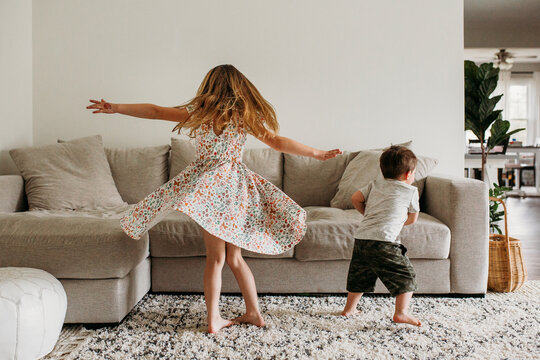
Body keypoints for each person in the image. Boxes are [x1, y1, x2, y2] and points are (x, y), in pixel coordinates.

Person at [86, 64, 342, 333]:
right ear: (240, 88)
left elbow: (155, 110)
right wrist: (316, 153)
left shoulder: (199, 114)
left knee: (215, 259)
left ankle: (214, 319)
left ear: (209, 86)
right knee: (235, 258)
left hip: (208, 191)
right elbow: (278, 142)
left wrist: (116, 107)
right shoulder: (242, 118)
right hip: (234, 191)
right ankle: (253, 312)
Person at [340, 145, 422, 326]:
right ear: (408, 174)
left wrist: (367, 214)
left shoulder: (375, 184)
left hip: (362, 238)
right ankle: (401, 313)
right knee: (406, 276)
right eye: (414, 173)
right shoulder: (411, 191)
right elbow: (413, 218)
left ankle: (349, 309)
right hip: (384, 241)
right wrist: (397, 222)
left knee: (360, 275)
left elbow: (355, 198)